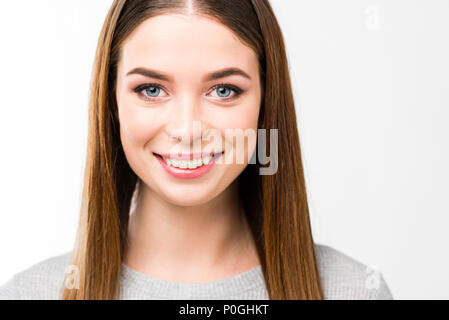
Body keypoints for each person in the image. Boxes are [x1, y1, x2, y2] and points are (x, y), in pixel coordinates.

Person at [0, 0, 393, 300]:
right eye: (151, 90)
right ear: (112, 103)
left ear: (266, 103)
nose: (187, 130)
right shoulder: (29, 293)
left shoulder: (355, 291)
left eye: (224, 91)